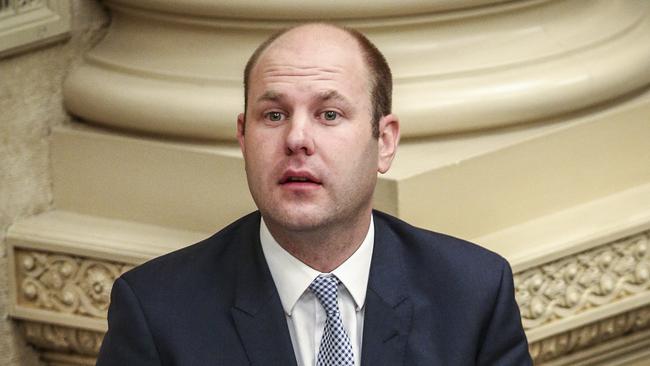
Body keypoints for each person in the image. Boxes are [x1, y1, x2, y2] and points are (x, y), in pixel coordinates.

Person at [96, 23, 532, 365]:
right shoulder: (156, 311)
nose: (297, 138)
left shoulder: (472, 292)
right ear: (243, 138)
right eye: (274, 114)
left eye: (329, 114)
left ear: (384, 142)